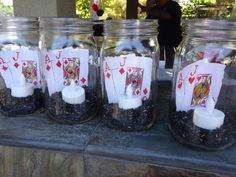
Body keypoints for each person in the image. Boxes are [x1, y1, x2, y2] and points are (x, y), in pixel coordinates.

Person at [138, 0, 182, 69]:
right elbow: (147, 22)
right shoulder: (155, 8)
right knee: (156, 69)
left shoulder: (173, 5)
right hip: (156, 46)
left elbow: (166, 15)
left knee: (170, 68)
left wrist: (148, 9)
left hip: (171, 47)